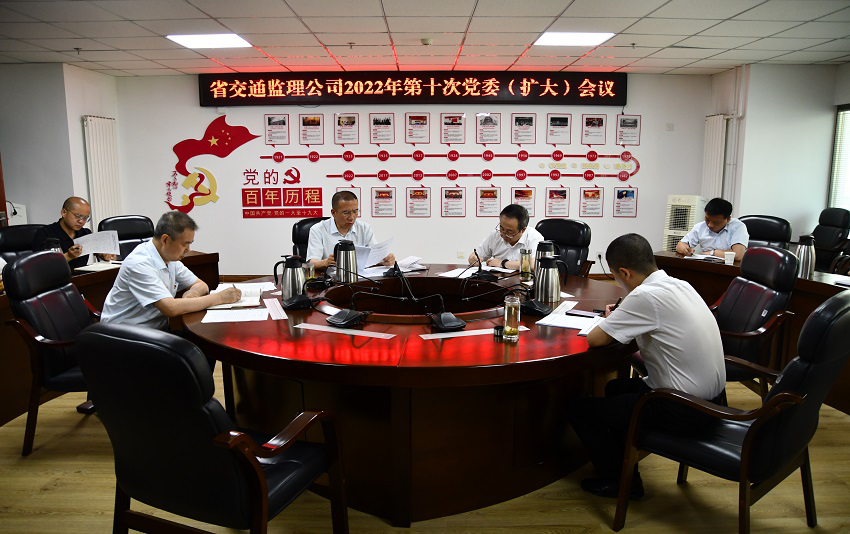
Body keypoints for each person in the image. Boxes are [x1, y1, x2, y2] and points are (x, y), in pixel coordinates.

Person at [569, 233, 725, 500]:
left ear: (624, 273)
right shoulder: (680, 284)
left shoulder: (645, 296)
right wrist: (622, 315)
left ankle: (620, 484)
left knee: (579, 410)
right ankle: (624, 466)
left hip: (684, 408)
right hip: (715, 401)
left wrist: (614, 318)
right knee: (616, 388)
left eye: (615, 277)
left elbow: (596, 339)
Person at [101, 211, 241, 331]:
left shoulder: (169, 258)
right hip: (123, 335)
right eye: (185, 244)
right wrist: (219, 298)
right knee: (192, 349)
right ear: (165, 240)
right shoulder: (140, 263)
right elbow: (170, 308)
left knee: (202, 343)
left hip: (153, 330)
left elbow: (201, 285)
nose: (188, 250)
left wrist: (192, 293)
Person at [306, 190, 395, 269]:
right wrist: (325, 262)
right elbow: (311, 262)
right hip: (332, 278)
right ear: (333, 213)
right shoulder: (318, 230)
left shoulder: (364, 228)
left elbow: (374, 256)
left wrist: (384, 260)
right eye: (346, 212)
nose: (352, 217)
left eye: (355, 211)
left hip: (360, 277)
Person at [32, 196, 116, 269]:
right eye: (78, 216)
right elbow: (42, 266)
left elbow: (97, 250)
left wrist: (104, 255)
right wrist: (69, 256)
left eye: (85, 218)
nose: (81, 221)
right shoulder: (45, 233)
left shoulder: (86, 233)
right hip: (55, 280)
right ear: (64, 212)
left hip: (82, 278)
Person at [468, 204, 544, 270]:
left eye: (509, 231)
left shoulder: (534, 237)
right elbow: (477, 255)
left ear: (523, 230)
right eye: (501, 228)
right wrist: (473, 258)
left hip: (523, 280)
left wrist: (502, 263)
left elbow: (535, 264)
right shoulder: (496, 235)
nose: (503, 234)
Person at [675, 197, 748, 262]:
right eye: (707, 219)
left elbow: (738, 255)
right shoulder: (700, 227)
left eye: (716, 222)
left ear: (728, 219)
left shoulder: (737, 227)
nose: (710, 225)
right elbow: (680, 245)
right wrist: (685, 250)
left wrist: (712, 253)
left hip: (730, 268)